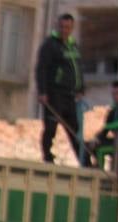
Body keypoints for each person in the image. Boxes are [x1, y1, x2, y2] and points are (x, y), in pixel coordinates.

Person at [36, 13, 88, 167]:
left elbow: (78, 69)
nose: (65, 30)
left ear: (72, 28)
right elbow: (41, 69)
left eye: (68, 27)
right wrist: (42, 92)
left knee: (74, 129)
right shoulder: (50, 45)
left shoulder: (73, 46)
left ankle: (84, 161)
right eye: (62, 27)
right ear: (58, 26)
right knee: (51, 127)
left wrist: (81, 87)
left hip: (70, 96)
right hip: (54, 93)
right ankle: (47, 156)